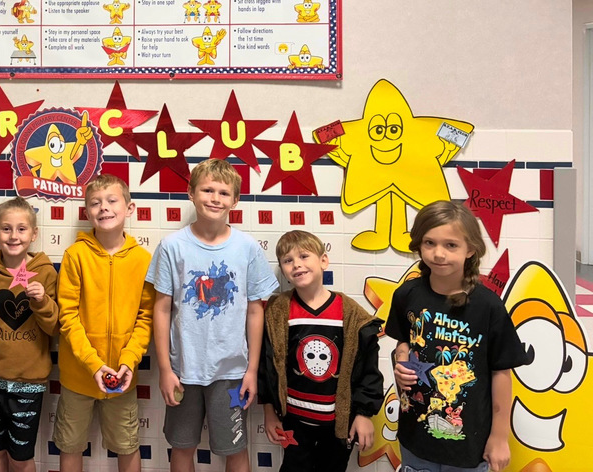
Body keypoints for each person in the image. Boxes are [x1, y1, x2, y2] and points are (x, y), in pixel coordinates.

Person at [146, 159, 278, 472]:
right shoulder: (172, 246)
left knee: (235, 450)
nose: (214, 198)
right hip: (183, 371)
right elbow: (162, 308)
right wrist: (165, 368)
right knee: (181, 448)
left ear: (236, 200)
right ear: (191, 193)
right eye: (207, 189)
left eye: (223, 192)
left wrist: (251, 370)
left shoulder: (246, 247)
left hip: (232, 372)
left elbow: (256, 310)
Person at [388, 201, 527, 472]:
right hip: (416, 442)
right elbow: (402, 340)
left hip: (470, 448)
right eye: (429, 243)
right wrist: (401, 361)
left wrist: (500, 438)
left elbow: (501, 373)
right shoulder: (406, 294)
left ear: (470, 249)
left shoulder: (488, 306)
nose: (438, 253)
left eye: (451, 245)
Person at [53, 175, 156, 472]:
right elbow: (67, 316)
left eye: (112, 201)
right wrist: (93, 364)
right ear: (87, 212)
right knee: (70, 446)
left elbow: (145, 317)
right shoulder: (75, 255)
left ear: (129, 207)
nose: (104, 208)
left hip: (122, 378)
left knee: (127, 446)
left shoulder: (143, 260)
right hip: (78, 376)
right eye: (95, 203)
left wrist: (128, 361)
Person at [259, 230, 383, 471]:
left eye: (304, 256)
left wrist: (363, 413)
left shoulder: (351, 314)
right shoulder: (278, 311)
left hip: (337, 426)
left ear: (323, 260)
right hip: (294, 421)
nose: (297, 265)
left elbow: (368, 369)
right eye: (288, 260)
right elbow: (268, 367)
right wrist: (269, 412)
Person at [0, 196, 58, 472]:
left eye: (21, 228)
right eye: (6, 229)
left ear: (34, 234)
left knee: (21, 457)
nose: (14, 236)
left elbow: (54, 328)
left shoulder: (45, 272)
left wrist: (42, 302)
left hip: (29, 381)